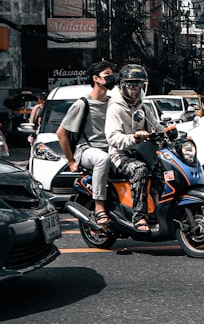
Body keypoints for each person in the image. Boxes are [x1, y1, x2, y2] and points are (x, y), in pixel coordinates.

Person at [57, 61, 116, 228]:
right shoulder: (83, 103)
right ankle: (99, 206)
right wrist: (71, 161)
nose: (112, 78)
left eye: (112, 74)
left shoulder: (113, 103)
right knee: (102, 159)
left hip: (111, 149)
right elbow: (62, 133)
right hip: (88, 150)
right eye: (107, 75)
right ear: (96, 78)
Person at [105, 63, 161, 233]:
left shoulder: (143, 107)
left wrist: (176, 134)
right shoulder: (115, 108)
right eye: (130, 86)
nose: (135, 90)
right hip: (120, 156)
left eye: (138, 86)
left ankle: (158, 209)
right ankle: (139, 216)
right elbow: (113, 137)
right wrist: (134, 138)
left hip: (142, 153)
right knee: (140, 170)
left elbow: (157, 128)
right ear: (122, 86)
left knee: (162, 168)